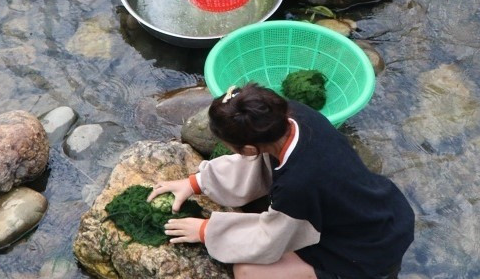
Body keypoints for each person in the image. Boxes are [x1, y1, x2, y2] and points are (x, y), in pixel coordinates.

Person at [147, 83, 415, 279]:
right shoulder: (290, 117)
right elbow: (256, 166)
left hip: (369, 249)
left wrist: (206, 231)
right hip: (383, 208)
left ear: (250, 149)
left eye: (230, 146)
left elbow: (269, 240)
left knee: (247, 271)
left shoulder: (298, 185)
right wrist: (196, 183)